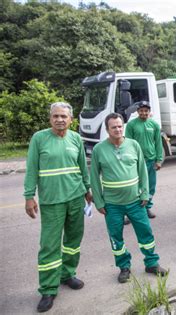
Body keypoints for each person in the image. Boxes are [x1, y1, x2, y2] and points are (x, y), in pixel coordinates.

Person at [24, 102, 92, 312]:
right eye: (56, 116)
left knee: (73, 241)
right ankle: (48, 289)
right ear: (50, 118)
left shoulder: (75, 139)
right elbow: (31, 168)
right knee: (49, 245)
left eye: (64, 116)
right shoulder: (39, 138)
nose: (60, 119)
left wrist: (88, 189)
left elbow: (82, 166)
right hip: (51, 201)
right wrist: (29, 196)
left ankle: (67, 274)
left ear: (71, 120)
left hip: (75, 198)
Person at [90, 113, 167, 284]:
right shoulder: (99, 150)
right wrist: (99, 202)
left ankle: (152, 263)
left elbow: (142, 171)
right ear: (107, 129)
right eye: (113, 127)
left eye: (119, 126)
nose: (117, 129)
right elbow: (94, 178)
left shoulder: (133, 145)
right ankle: (124, 267)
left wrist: (145, 193)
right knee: (116, 237)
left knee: (146, 233)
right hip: (112, 205)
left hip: (136, 202)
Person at [125, 101, 163, 219]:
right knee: (134, 187)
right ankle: (132, 212)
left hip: (151, 161)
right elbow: (128, 143)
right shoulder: (131, 125)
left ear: (149, 112)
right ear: (137, 112)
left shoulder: (154, 125)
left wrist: (159, 160)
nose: (144, 113)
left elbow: (158, 143)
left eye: (146, 111)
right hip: (136, 162)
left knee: (150, 186)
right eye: (141, 110)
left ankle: (147, 208)